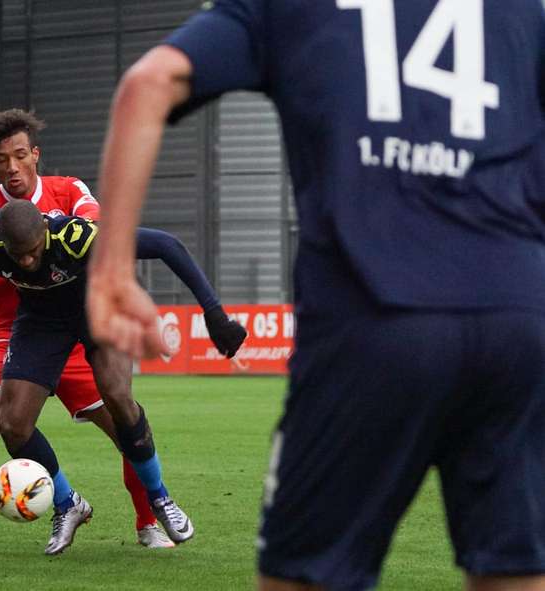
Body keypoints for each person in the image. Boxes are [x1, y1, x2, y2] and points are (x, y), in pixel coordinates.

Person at [86, 1, 545, 590]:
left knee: (304, 576)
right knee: (513, 571)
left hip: (373, 322)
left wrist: (111, 269)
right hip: (516, 317)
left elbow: (148, 83)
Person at [0, 108, 245, 556]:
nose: (12, 167)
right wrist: (28, 262)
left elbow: (145, 239)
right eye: (2, 159)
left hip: (93, 311)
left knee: (120, 408)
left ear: (34, 155)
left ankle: (154, 511)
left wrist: (214, 314)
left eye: (19, 156)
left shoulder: (71, 205)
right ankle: (34, 508)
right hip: (28, 323)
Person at [0, 198, 246, 554]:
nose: (25, 261)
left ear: (45, 232)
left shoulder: (77, 238)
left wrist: (214, 313)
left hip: (98, 308)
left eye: (33, 251)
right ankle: (68, 504)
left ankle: (160, 497)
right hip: (41, 321)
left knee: (117, 397)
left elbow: (167, 245)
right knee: (12, 425)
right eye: (17, 254)